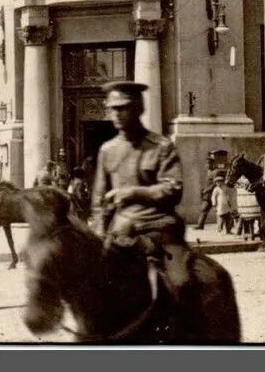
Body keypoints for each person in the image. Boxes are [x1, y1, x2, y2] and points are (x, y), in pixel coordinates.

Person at [91, 81, 191, 298]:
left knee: (181, 285)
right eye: (112, 109)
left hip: (159, 229)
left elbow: (174, 189)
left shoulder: (161, 147)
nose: (116, 114)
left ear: (139, 108)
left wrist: (134, 193)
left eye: (123, 107)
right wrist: (98, 234)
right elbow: (99, 202)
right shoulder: (107, 150)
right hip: (120, 231)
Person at [195, 156, 219, 230]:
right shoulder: (209, 172)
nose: (207, 165)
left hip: (214, 194)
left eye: (209, 163)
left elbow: (215, 184)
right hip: (208, 195)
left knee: (222, 210)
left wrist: (206, 190)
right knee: (204, 210)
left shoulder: (216, 172)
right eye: (207, 164)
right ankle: (200, 226)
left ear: (213, 164)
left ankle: (228, 226)